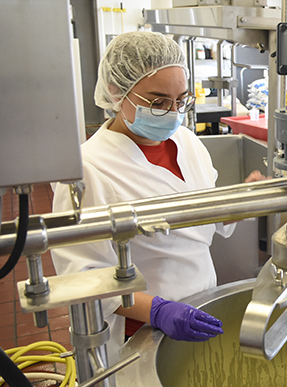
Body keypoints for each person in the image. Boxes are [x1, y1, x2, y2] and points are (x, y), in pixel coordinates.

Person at [51, 31, 264, 359]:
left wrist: (239, 201)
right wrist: (159, 311)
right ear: (116, 91)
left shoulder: (187, 141)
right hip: (142, 329)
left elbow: (199, 216)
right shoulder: (86, 170)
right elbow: (82, 277)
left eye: (181, 100)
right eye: (158, 102)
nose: (173, 112)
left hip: (201, 300)